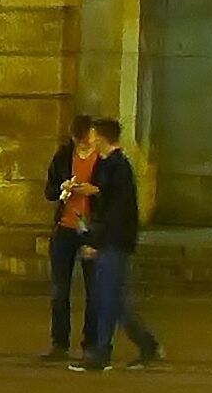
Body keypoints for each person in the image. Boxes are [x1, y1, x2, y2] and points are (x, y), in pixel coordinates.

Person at [69, 118, 164, 371]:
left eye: (94, 135)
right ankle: (147, 346)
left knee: (107, 299)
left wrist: (96, 242)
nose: (91, 140)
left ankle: (102, 354)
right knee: (116, 301)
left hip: (114, 243)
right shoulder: (109, 165)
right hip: (112, 240)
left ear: (101, 137)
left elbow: (116, 212)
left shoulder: (117, 167)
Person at [39, 113, 95, 362]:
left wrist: (94, 191)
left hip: (92, 229)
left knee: (94, 289)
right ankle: (59, 342)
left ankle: (91, 344)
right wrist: (63, 187)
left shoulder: (103, 159)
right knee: (60, 289)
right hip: (65, 226)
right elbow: (49, 191)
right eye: (80, 142)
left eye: (87, 141)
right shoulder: (63, 157)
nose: (84, 146)